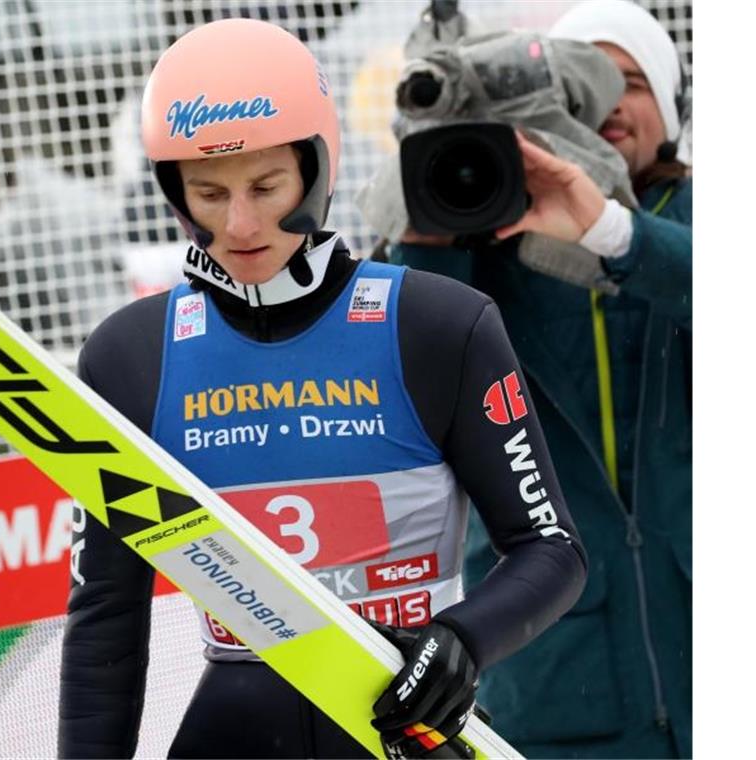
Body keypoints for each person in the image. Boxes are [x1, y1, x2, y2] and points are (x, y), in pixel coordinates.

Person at [58, 17, 587, 759]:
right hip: (234, 729)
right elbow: (107, 617)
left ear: (318, 166)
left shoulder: (436, 325)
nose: (240, 223)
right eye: (208, 192)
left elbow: (551, 549)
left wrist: (461, 642)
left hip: (405, 725)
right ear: (172, 191)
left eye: (267, 185)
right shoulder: (131, 356)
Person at [391, 1, 692, 757]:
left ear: (673, 103)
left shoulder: (700, 222)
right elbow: (414, 386)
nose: (611, 102)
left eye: (632, 80)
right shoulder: (481, 246)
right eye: (579, 83)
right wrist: (432, 230)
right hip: (559, 677)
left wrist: (610, 231)